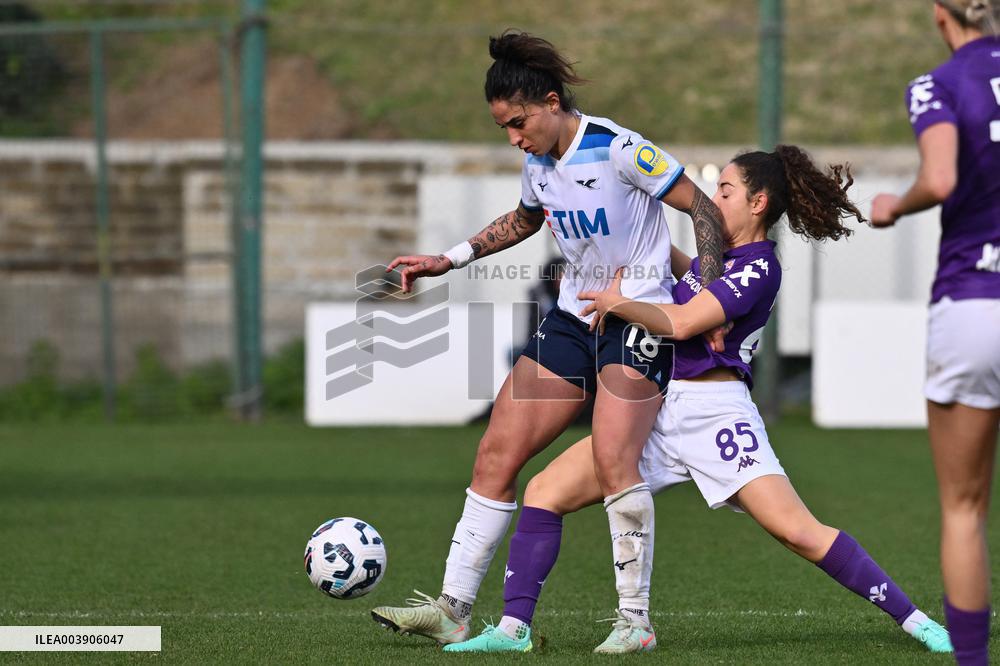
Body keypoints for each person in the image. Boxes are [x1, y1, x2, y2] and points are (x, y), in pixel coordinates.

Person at [443, 146, 953, 655]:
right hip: (658, 411)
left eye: (725, 191)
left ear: (758, 203)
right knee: (544, 491)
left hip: (716, 417)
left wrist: (619, 302)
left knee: (799, 532)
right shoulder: (716, 262)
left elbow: (684, 322)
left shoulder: (758, 267)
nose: (713, 199)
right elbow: (669, 267)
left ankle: (916, 621)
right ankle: (513, 631)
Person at [371, 30, 727, 644]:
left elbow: (705, 210)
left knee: (615, 460)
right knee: (495, 453)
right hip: (570, 321)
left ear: (552, 102)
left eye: (518, 123)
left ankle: (635, 621)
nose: (514, 138)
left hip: (634, 320)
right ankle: (454, 609)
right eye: (505, 128)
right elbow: (525, 220)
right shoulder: (538, 162)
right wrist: (446, 259)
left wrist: (710, 303)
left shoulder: (618, 149)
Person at [870, 2, 1000, 663]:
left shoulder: (937, 83)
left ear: (940, 13)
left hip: (975, 301)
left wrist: (896, 203)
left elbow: (942, 177)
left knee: (964, 506)